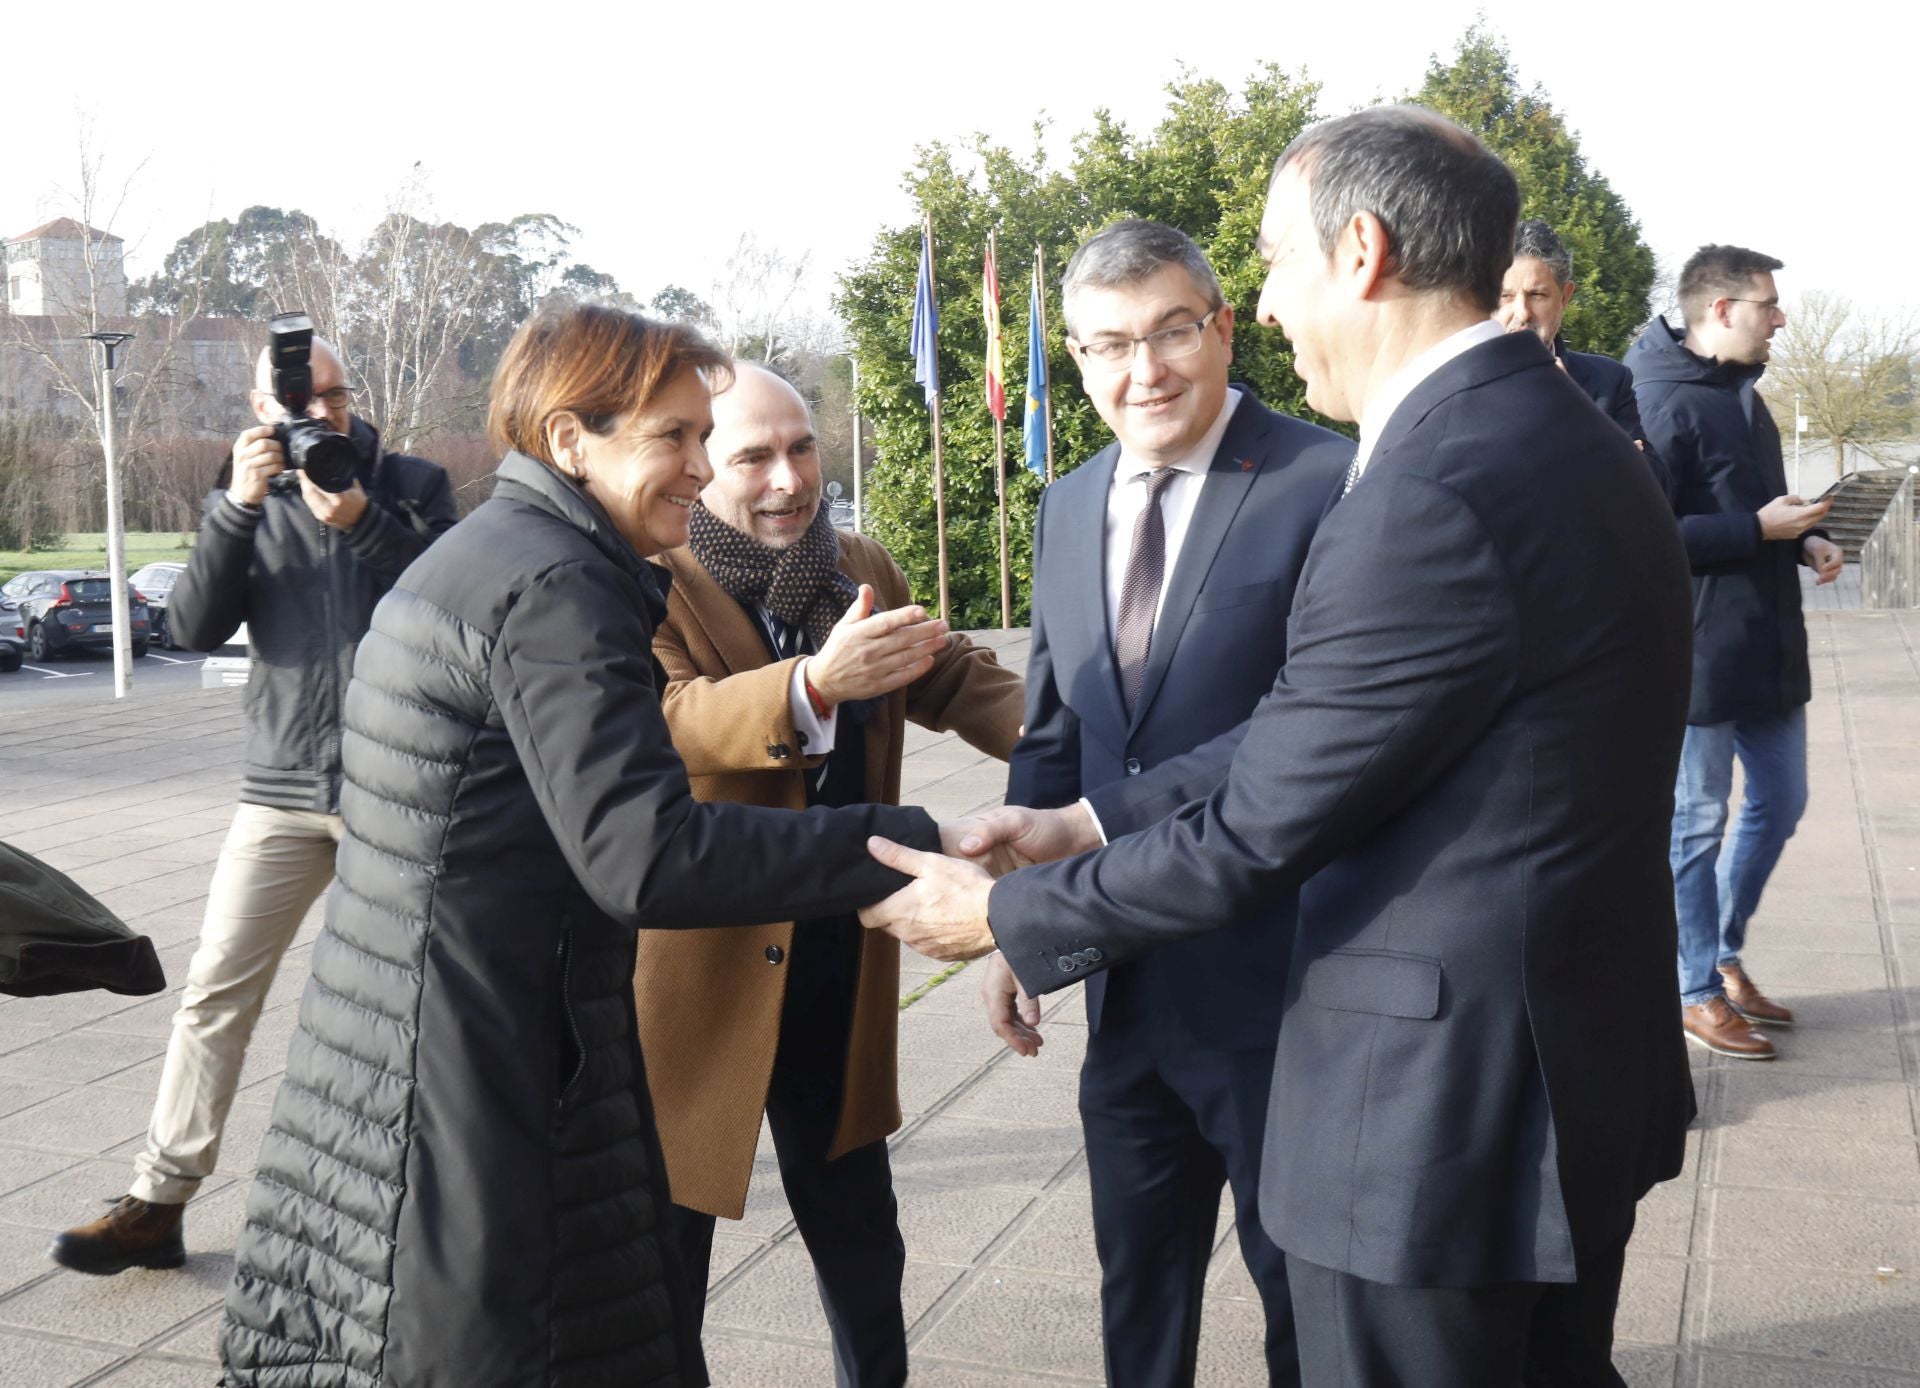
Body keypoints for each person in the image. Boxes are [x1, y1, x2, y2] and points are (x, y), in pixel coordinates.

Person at [863, 105, 1697, 1387]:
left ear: (1358, 251)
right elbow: (1324, 735)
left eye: (1269, 260)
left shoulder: (1424, 481)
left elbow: (1270, 820)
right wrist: (1081, 823)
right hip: (1540, 1074)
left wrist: (1011, 914)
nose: (1267, 294)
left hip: (1440, 1116)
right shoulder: (1551, 433)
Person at [215, 302, 947, 1387]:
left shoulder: (498, 549)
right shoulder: (559, 584)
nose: (702, 468)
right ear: (571, 440)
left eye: (708, 436)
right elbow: (644, 854)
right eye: (676, 437)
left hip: (414, 1042)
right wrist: (903, 841)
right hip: (488, 1067)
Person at [979, 218, 1346, 1388]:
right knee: (1138, 1282)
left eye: (1172, 332)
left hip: (1286, 984)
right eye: (1108, 346)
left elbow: (1308, 727)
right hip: (1126, 989)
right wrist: (1017, 920)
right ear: (1076, 362)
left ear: (1223, 328)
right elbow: (1054, 733)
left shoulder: (1328, 482)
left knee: (1304, 1291)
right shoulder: (1067, 501)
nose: (1145, 372)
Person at [641, 360, 1023, 1385]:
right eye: (752, 455)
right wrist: (810, 683)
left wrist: (1091, 758)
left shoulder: (859, 562)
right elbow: (668, 721)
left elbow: (950, 672)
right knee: (664, 1258)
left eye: (801, 446)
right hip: (701, 978)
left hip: (838, 965)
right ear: (699, 466)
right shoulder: (654, 577)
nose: (786, 478)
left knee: (861, 1236)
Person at [48, 334, 457, 1276]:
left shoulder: (414, 485)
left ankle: (431, 1206)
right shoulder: (248, 499)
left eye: (329, 398)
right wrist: (236, 506)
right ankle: (157, 1201)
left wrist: (359, 517)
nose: (315, 416)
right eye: (293, 403)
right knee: (213, 994)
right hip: (278, 792)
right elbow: (189, 626)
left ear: (352, 397)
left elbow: (451, 610)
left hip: (399, 790)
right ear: (262, 411)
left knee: (418, 1006)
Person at [1625, 245, 1843, 1060]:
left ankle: (1718, 952)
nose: (1781, 317)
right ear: (1719, 310)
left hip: (1767, 642)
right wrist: (1759, 530)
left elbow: (1761, 510)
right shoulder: (1650, 400)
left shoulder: (1744, 395)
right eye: (1768, 304)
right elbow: (1643, 540)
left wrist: (1808, 539)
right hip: (1695, 653)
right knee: (1696, 824)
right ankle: (1693, 990)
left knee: (1780, 804)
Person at [1497, 220, 1663, 491]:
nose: (1522, 312)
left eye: (1537, 295)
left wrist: (1579, 420)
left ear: (1565, 296)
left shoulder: (1608, 382)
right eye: (1506, 296)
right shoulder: (1449, 380)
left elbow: (1658, 492)